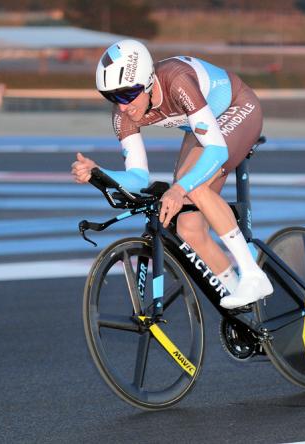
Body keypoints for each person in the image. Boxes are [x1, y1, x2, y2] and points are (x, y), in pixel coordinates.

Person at [71, 39, 272, 309]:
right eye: (112, 96)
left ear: (149, 82)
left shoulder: (177, 80)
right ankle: (243, 304)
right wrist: (97, 172)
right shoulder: (123, 114)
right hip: (201, 126)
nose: (122, 106)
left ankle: (252, 274)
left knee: (193, 187)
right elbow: (138, 177)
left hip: (237, 108)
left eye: (128, 93)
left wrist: (179, 189)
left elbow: (216, 151)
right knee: (188, 228)